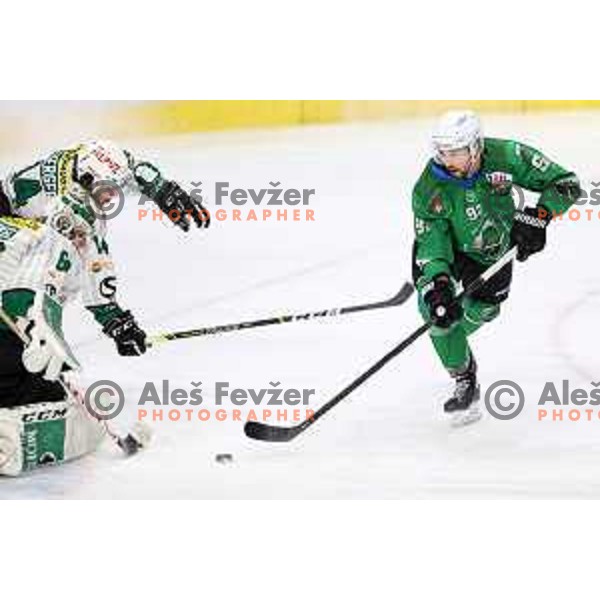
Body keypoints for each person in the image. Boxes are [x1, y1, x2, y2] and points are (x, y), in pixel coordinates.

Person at [412, 110, 581, 425]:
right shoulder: (427, 188)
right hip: (448, 250)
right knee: (436, 312)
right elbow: (433, 246)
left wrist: (539, 217)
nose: (448, 160)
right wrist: (438, 285)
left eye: (457, 152)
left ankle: (452, 340)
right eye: (443, 152)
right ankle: (465, 377)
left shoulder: (506, 155)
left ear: (476, 147)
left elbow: (567, 184)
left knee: (480, 312)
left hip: (493, 252)